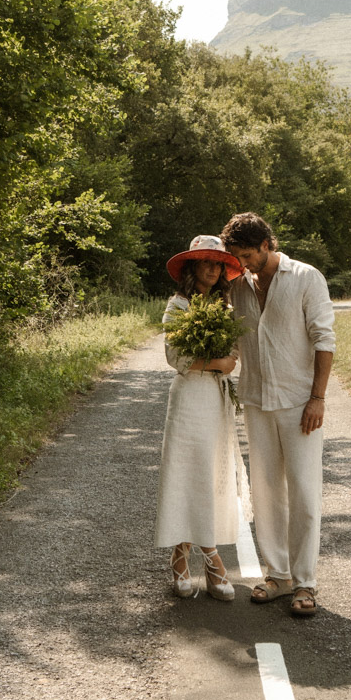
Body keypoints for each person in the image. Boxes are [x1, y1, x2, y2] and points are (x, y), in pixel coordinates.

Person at [220, 212, 335, 617]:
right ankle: (278, 574)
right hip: (256, 400)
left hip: (299, 402)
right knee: (266, 490)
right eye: (237, 256)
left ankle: (305, 581)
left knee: (303, 491)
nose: (244, 262)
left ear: (268, 244)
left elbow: (324, 339)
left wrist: (317, 398)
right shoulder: (237, 286)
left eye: (248, 254)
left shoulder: (306, 277)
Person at [154, 234, 245, 600]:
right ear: (192, 266)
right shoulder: (177, 306)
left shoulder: (225, 308)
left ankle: (192, 554)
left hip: (216, 398)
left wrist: (230, 360)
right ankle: (204, 556)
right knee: (187, 472)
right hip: (189, 396)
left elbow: (235, 349)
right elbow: (175, 359)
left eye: (218, 262)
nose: (212, 268)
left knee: (210, 474)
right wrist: (217, 363)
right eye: (205, 261)